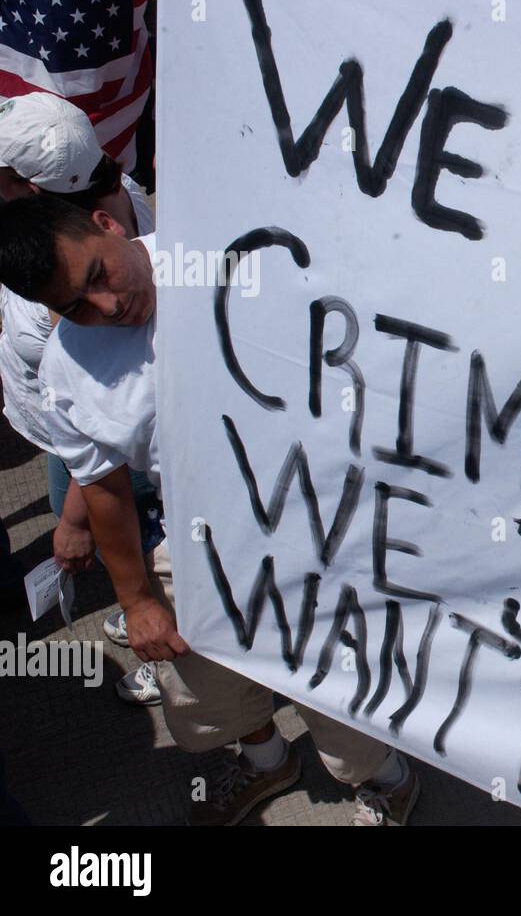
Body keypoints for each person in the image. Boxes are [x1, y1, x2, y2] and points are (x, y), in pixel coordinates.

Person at [0, 196, 422, 826]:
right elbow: (106, 487)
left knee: (333, 681)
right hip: (198, 545)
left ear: (108, 224)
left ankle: (384, 779)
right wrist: (138, 600)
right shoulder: (67, 371)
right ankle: (266, 759)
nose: (107, 308)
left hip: (324, 529)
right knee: (205, 685)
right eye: (73, 308)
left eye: (97, 276)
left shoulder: (241, 253)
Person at [0, 92, 161, 705]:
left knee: (140, 531)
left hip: (94, 449)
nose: (105, 307)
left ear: (30, 192)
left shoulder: (59, 303)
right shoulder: (123, 202)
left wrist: (72, 522)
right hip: (77, 439)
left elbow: (96, 455)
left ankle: (161, 632)